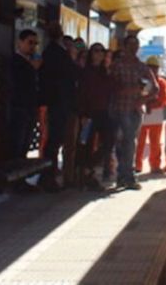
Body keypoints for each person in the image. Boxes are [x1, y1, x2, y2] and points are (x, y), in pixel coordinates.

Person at [108, 35, 157, 190]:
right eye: (131, 44)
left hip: (135, 109)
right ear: (124, 46)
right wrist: (131, 90)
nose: (134, 48)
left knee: (129, 141)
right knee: (123, 142)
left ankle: (125, 175)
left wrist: (143, 100)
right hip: (119, 108)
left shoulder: (142, 67)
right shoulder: (117, 65)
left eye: (136, 44)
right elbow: (112, 87)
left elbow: (155, 88)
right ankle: (125, 174)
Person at [39, 22, 78, 192]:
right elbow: (70, 74)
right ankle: (48, 176)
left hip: (57, 101)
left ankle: (49, 175)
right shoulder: (58, 53)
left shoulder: (50, 52)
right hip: (60, 102)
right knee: (55, 140)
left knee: (54, 141)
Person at [75, 42, 113, 190]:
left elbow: (111, 89)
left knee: (109, 141)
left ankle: (88, 168)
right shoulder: (85, 72)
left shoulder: (105, 71)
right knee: (86, 144)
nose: (99, 53)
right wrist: (83, 114)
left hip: (103, 112)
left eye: (101, 51)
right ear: (91, 54)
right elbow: (81, 93)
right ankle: (86, 177)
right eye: (96, 50)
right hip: (89, 113)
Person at [136, 56, 166, 174]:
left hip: (156, 116)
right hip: (143, 115)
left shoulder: (161, 82)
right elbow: (138, 96)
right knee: (139, 143)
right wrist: (147, 105)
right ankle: (137, 165)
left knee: (155, 143)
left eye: (155, 67)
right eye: (150, 67)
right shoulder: (142, 81)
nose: (153, 70)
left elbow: (163, 99)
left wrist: (150, 105)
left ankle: (155, 166)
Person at [9, 29, 41, 160]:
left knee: (26, 144)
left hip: (30, 109)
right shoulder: (15, 62)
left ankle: (21, 175)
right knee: (17, 144)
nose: (33, 46)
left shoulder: (32, 63)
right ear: (20, 43)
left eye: (35, 43)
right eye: (30, 42)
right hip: (19, 109)